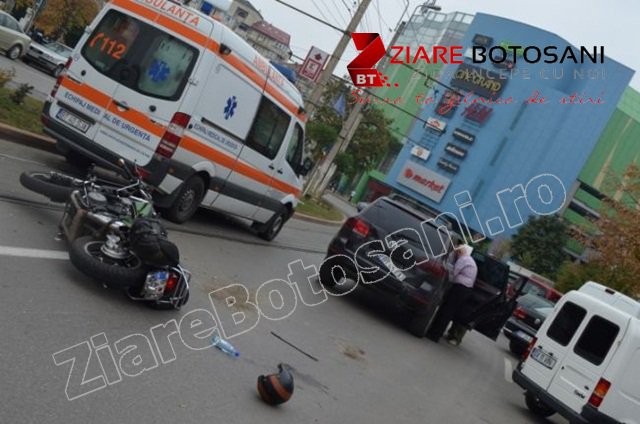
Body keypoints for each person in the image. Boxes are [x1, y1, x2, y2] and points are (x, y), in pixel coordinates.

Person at [426, 244, 478, 343]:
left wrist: (445, 280)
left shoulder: (462, 260)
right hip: (465, 290)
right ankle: (436, 333)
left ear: (458, 252)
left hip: (460, 289)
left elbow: (453, 274)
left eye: (454, 253)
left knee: (446, 311)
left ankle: (435, 333)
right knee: (448, 311)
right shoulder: (469, 259)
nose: (454, 255)